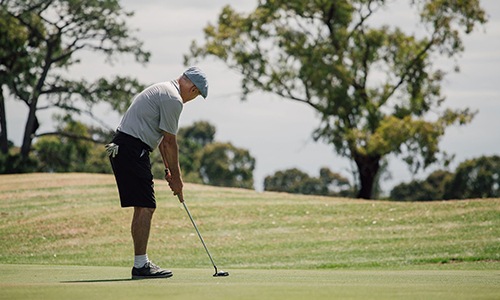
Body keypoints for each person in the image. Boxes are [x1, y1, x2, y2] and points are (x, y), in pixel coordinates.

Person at [106, 67, 208, 279]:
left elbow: (162, 140)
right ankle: (141, 266)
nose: (193, 98)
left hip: (127, 148)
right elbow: (171, 143)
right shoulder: (173, 99)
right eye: (196, 94)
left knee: (144, 206)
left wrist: (170, 171)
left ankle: (140, 263)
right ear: (192, 87)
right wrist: (178, 181)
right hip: (131, 149)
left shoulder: (164, 89)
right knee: (145, 206)